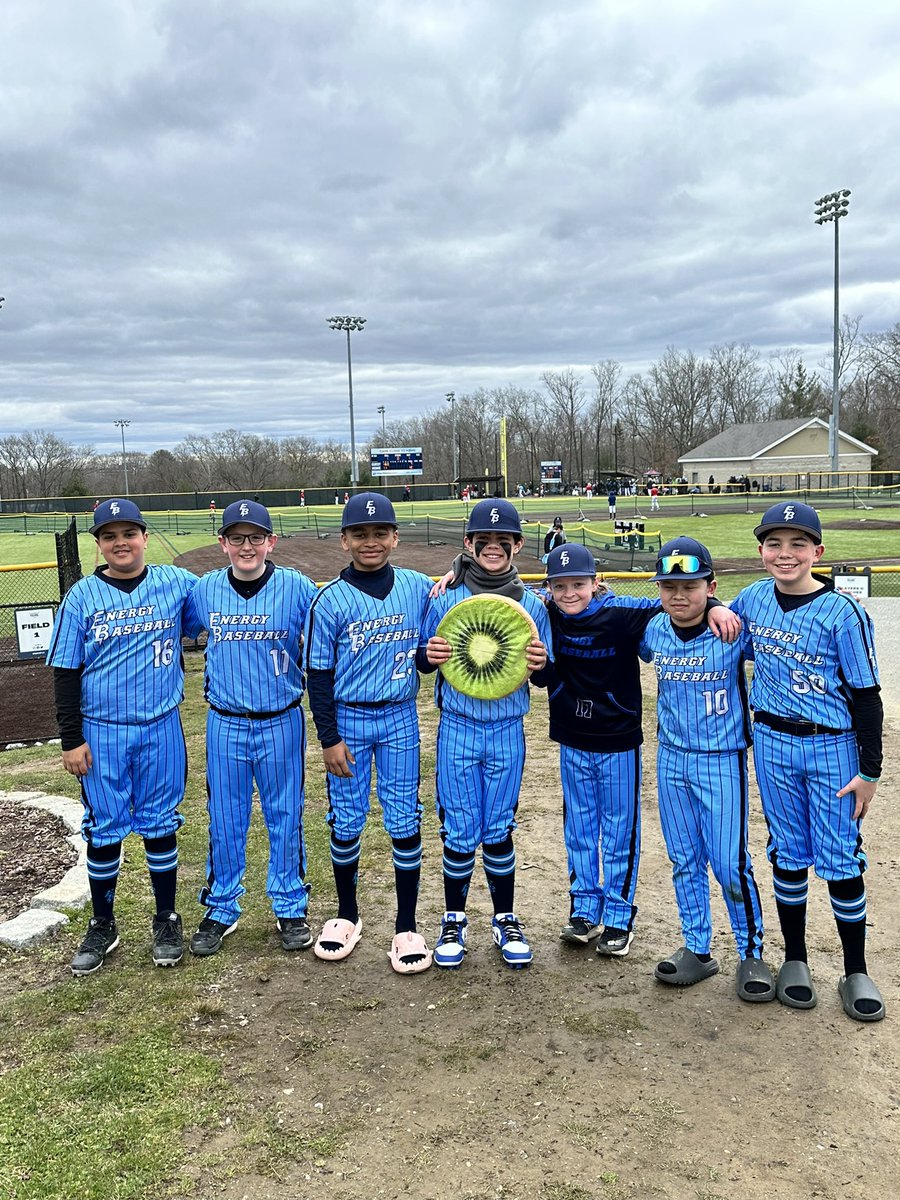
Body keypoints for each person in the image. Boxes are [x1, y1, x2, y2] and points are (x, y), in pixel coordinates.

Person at [540, 543, 740, 958]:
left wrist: (717, 603)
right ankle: (583, 909)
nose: (569, 593)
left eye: (578, 584)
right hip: (571, 735)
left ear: (597, 584)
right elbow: (503, 598)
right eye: (559, 586)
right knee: (578, 827)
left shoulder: (624, 613)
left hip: (617, 740)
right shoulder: (547, 612)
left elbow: (678, 602)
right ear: (549, 589)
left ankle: (617, 917)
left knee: (619, 831)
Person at [730, 501, 885, 1022]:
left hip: (832, 746)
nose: (785, 553)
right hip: (772, 741)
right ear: (761, 551)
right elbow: (714, 616)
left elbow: (867, 697)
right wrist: (713, 609)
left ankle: (855, 968)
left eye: (798, 544)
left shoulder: (844, 612)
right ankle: (794, 959)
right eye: (774, 543)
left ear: (818, 551)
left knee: (840, 856)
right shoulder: (752, 597)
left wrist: (870, 772)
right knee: (789, 852)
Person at [46, 499, 196, 975]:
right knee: (105, 827)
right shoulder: (82, 596)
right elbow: (66, 672)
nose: (121, 543)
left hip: (160, 725)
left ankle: (166, 919)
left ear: (145, 537)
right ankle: (103, 922)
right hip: (102, 729)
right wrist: (71, 739)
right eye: (109, 536)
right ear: (99, 545)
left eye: (128, 533)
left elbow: (231, 597)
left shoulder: (176, 583)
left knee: (159, 822)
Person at [304, 492, 434, 973]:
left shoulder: (419, 587)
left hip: (400, 715)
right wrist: (328, 737)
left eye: (381, 532)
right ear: (344, 541)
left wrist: (458, 567)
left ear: (395, 537)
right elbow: (317, 675)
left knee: (404, 818)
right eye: (360, 533)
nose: (371, 541)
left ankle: (405, 925)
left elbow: (455, 590)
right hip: (350, 718)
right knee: (347, 818)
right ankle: (347, 916)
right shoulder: (330, 600)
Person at [639, 538, 773, 1001]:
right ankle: (697, 947)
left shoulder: (734, 629)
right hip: (671, 758)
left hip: (721, 759)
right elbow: (603, 603)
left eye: (692, 587)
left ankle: (750, 952)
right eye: (669, 586)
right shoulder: (654, 629)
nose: (679, 595)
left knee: (729, 862)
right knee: (684, 859)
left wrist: (717, 607)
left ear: (711, 586)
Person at [183, 500, 318, 957]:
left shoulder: (297, 587)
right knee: (225, 819)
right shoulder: (203, 591)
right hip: (225, 722)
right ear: (222, 544)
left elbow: (335, 616)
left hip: (281, 718)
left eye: (255, 537)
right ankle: (222, 907)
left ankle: (289, 904)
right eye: (237, 537)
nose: (246, 546)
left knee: (286, 815)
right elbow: (171, 621)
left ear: (271, 542)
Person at [420, 499, 550, 970]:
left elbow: (541, 676)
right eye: (483, 542)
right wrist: (427, 656)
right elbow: (421, 657)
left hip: (507, 728)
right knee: (458, 827)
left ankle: (504, 917)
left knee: (498, 827)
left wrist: (542, 667)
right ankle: (453, 919)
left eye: (503, 541)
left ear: (517, 545)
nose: (492, 548)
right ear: (468, 545)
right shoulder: (442, 596)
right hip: (457, 725)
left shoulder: (532, 604)